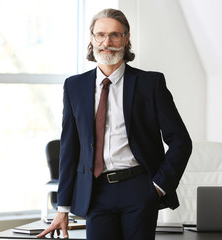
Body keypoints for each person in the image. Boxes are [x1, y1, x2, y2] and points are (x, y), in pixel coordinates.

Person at [37, 8, 192, 240]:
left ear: (126, 38)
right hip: (96, 192)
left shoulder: (151, 84)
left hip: (140, 189)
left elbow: (181, 141)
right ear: (92, 38)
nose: (106, 42)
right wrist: (63, 207)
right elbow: (70, 149)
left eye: (115, 35)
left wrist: (158, 187)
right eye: (100, 35)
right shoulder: (74, 87)